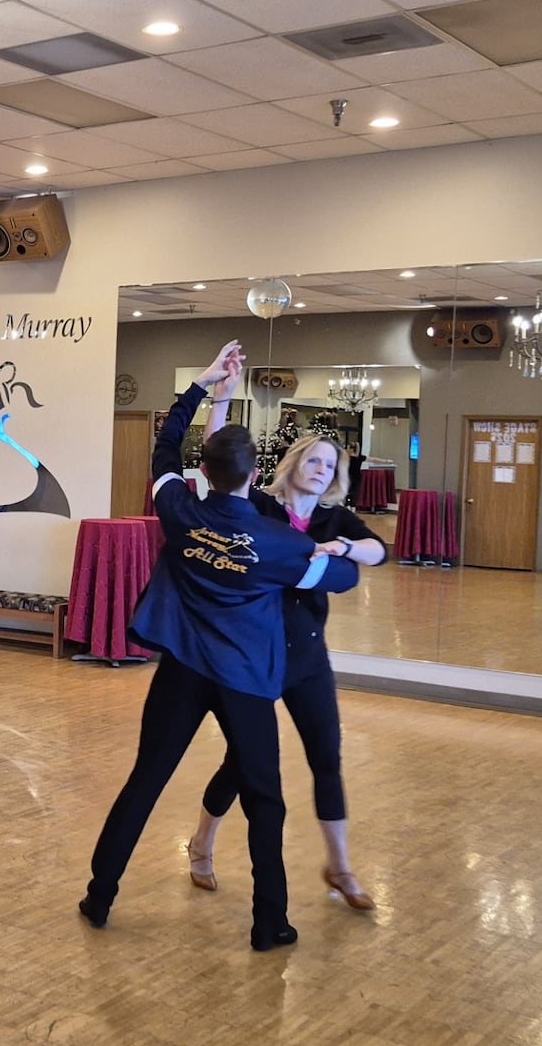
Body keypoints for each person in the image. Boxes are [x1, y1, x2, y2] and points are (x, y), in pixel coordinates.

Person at [81, 342, 360, 952]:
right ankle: (270, 923)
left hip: (181, 672)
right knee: (266, 797)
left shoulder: (178, 507)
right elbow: (343, 579)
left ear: (202, 472)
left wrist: (202, 388)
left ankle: (99, 896)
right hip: (245, 681)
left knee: (145, 781)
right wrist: (333, 555)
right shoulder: (279, 544)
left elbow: (163, 447)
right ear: (255, 477)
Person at [185, 421, 387, 912]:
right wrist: (221, 402)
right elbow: (219, 475)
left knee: (327, 759)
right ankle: (201, 841)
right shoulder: (259, 507)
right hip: (255, 657)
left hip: (308, 658)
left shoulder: (333, 519)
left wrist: (342, 547)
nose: (322, 471)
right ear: (294, 463)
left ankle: (339, 867)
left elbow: (378, 551)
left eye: (331, 465)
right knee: (242, 763)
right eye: (314, 460)